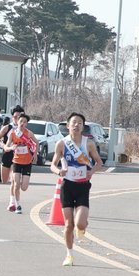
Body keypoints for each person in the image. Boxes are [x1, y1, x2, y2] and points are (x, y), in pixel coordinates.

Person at [51, 112, 103, 267]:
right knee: (68, 225)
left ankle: (82, 226)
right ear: (68, 125)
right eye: (73, 122)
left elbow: (99, 162)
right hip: (67, 186)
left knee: (80, 224)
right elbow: (52, 165)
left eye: (80, 123)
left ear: (83, 126)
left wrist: (91, 172)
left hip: (82, 186)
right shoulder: (62, 143)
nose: (76, 125)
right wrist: (59, 171)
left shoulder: (89, 144)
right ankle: (69, 255)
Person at [5, 112, 38, 214]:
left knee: (24, 187)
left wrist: (35, 154)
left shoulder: (29, 133)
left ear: (27, 123)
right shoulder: (13, 134)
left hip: (27, 162)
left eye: (25, 122)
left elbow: (36, 143)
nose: (22, 123)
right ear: (17, 122)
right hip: (16, 162)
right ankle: (17, 205)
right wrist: (11, 147)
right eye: (21, 121)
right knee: (16, 185)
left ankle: (17, 199)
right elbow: (6, 147)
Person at [0, 105, 24, 182]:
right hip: (7, 153)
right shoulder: (7, 127)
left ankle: (14, 187)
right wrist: (4, 146)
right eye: (15, 117)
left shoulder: (24, 129)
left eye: (19, 117)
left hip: (18, 154)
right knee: (4, 180)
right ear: (12, 117)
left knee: (14, 178)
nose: (17, 119)